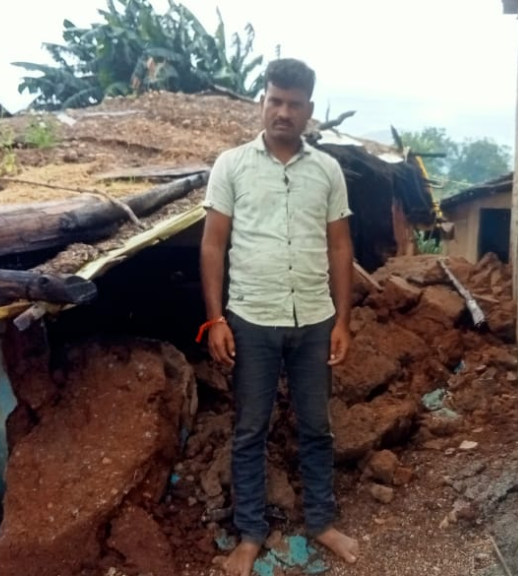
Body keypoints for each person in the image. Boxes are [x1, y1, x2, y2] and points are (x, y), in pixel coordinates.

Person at [198, 58, 359, 576]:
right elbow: (213, 245)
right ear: (262, 102)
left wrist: (342, 322)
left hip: (314, 320)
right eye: (275, 101)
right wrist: (216, 319)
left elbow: (340, 246)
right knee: (250, 430)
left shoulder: (327, 170)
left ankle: (321, 522)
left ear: (309, 110)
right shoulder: (231, 166)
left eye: (293, 104)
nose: (283, 112)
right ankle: (249, 535)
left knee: (317, 427)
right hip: (251, 318)